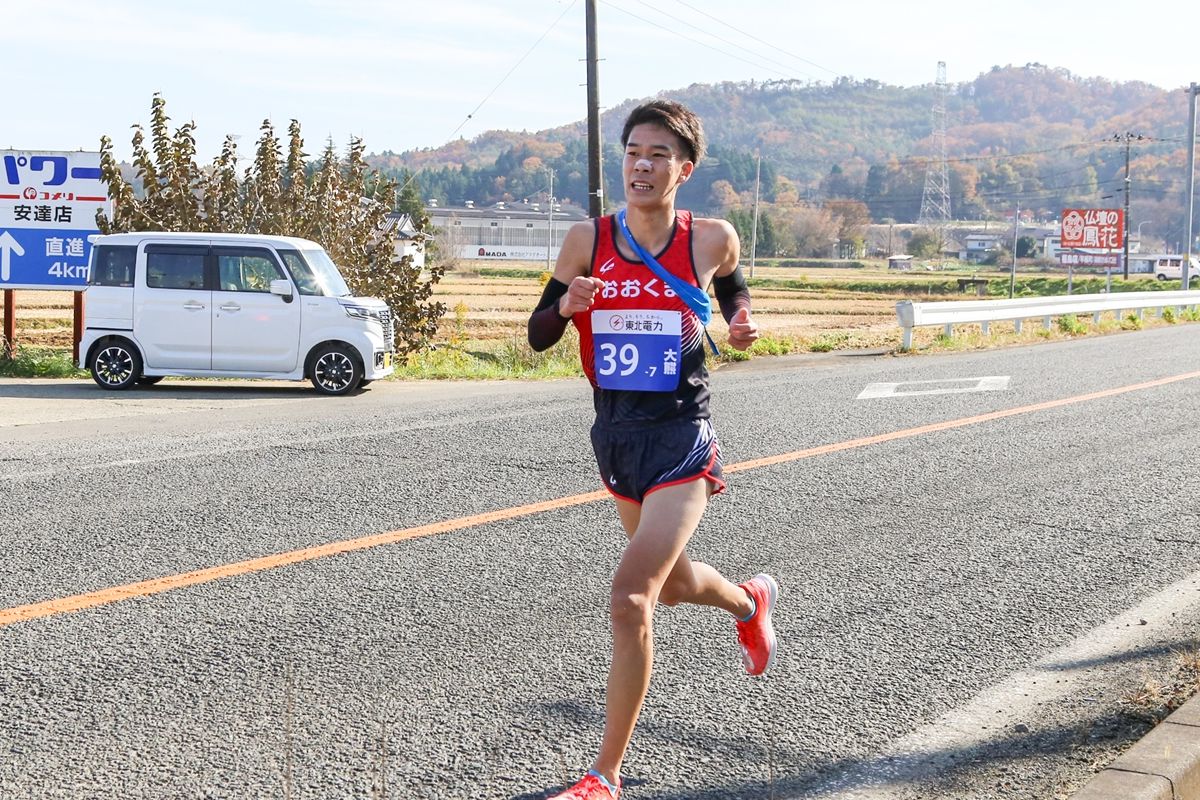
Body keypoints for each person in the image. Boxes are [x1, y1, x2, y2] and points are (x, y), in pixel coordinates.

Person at [526, 99, 778, 800]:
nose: (642, 164)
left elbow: (731, 286)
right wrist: (567, 307)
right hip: (614, 439)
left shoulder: (711, 237)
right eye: (634, 151)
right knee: (670, 586)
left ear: (684, 169)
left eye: (658, 154)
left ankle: (603, 775)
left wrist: (742, 319)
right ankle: (750, 604)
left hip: (681, 439)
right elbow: (538, 334)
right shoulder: (587, 239)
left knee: (631, 597)